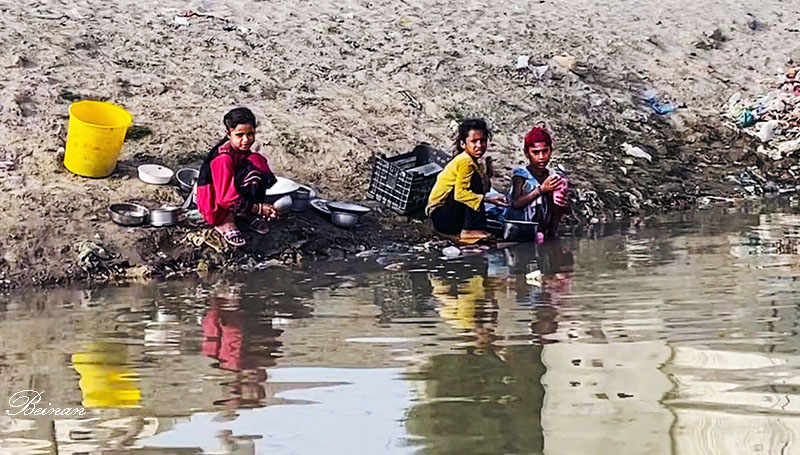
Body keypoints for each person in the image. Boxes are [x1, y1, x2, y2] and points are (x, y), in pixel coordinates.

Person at [197, 107, 279, 247]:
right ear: (229, 134)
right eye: (240, 135)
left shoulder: (240, 152)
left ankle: (244, 214)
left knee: (257, 161)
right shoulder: (223, 158)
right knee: (251, 173)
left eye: (250, 134)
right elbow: (225, 198)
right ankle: (226, 222)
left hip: (230, 199)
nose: (246, 140)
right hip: (214, 207)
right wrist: (258, 208)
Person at [426, 118, 507, 242]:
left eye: (482, 141)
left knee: (477, 180)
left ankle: (472, 228)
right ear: (463, 144)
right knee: (474, 180)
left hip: (448, 216)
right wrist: (489, 199)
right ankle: (470, 230)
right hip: (442, 217)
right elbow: (460, 194)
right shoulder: (465, 161)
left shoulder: (474, 162)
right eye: (474, 141)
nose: (479, 145)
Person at [503, 126, 569, 239]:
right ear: (526, 153)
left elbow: (564, 209)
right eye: (536, 152)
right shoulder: (521, 175)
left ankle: (551, 235)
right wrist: (541, 190)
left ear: (550, 150)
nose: (541, 157)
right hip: (520, 227)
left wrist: (566, 205)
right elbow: (516, 202)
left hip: (543, 229)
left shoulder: (552, 176)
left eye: (545, 151)